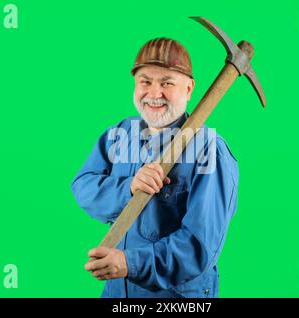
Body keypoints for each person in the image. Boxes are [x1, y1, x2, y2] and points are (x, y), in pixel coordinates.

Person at [71, 38, 238, 298]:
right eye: (145, 81)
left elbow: (198, 246)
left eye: (167, 83)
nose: (154, 93)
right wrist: (128, 188)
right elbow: (83, 185)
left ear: (189, 89)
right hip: (117, 294)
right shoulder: (120, 134)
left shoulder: (209, 150)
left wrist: (129, 264)